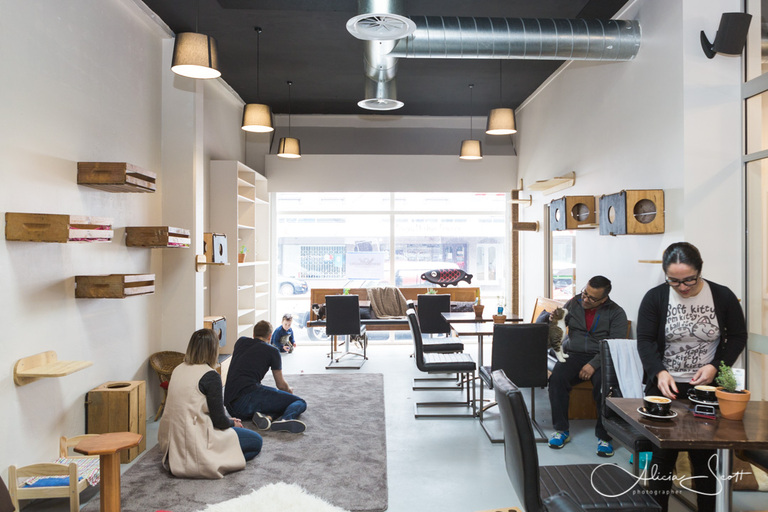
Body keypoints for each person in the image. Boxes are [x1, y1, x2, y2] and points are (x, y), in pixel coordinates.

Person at [637, 242, 746, 512]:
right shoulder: (655, 298)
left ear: (700, 270)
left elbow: (738, 336)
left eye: (689, 280)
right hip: (665, 387)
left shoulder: (721, 296)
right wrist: (658, 371)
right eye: (674, 281)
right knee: (661, 459)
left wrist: (716, 366)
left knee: (704, 459)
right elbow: (645, 340)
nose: (683, 287)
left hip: (706, 389)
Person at [158, 329, 262, 479]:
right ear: (212, 350)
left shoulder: (178, 369)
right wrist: (233, 424)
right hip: (196, 439)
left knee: (240, 438)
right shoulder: (210, 376)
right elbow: (219, 421)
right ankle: (212, 461)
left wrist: (229, 421)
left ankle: (182, 460)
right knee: (255, 441)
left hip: (174, 440)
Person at [547, 275, 628, 457]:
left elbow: (613, 344)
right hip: (574, 354)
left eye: (592, 298)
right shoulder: (574, 303)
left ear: (604, 298)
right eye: (585, 293)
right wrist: (554, 320)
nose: (585, 299)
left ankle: (604, 436)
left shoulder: (616, 313)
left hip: (602, 357)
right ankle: (561, 430)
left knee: (603, 387)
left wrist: (593, 365)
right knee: (557, 379)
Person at [225, 320, 307, 433]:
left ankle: (267, 418)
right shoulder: (272, 351)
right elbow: (281, 385)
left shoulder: (240, 341)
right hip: (248, 399)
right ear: (270, 336)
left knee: (277, 402)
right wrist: (289, 391)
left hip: (230, 406)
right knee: (299, 402)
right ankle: (286, 419)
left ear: (253, 335)